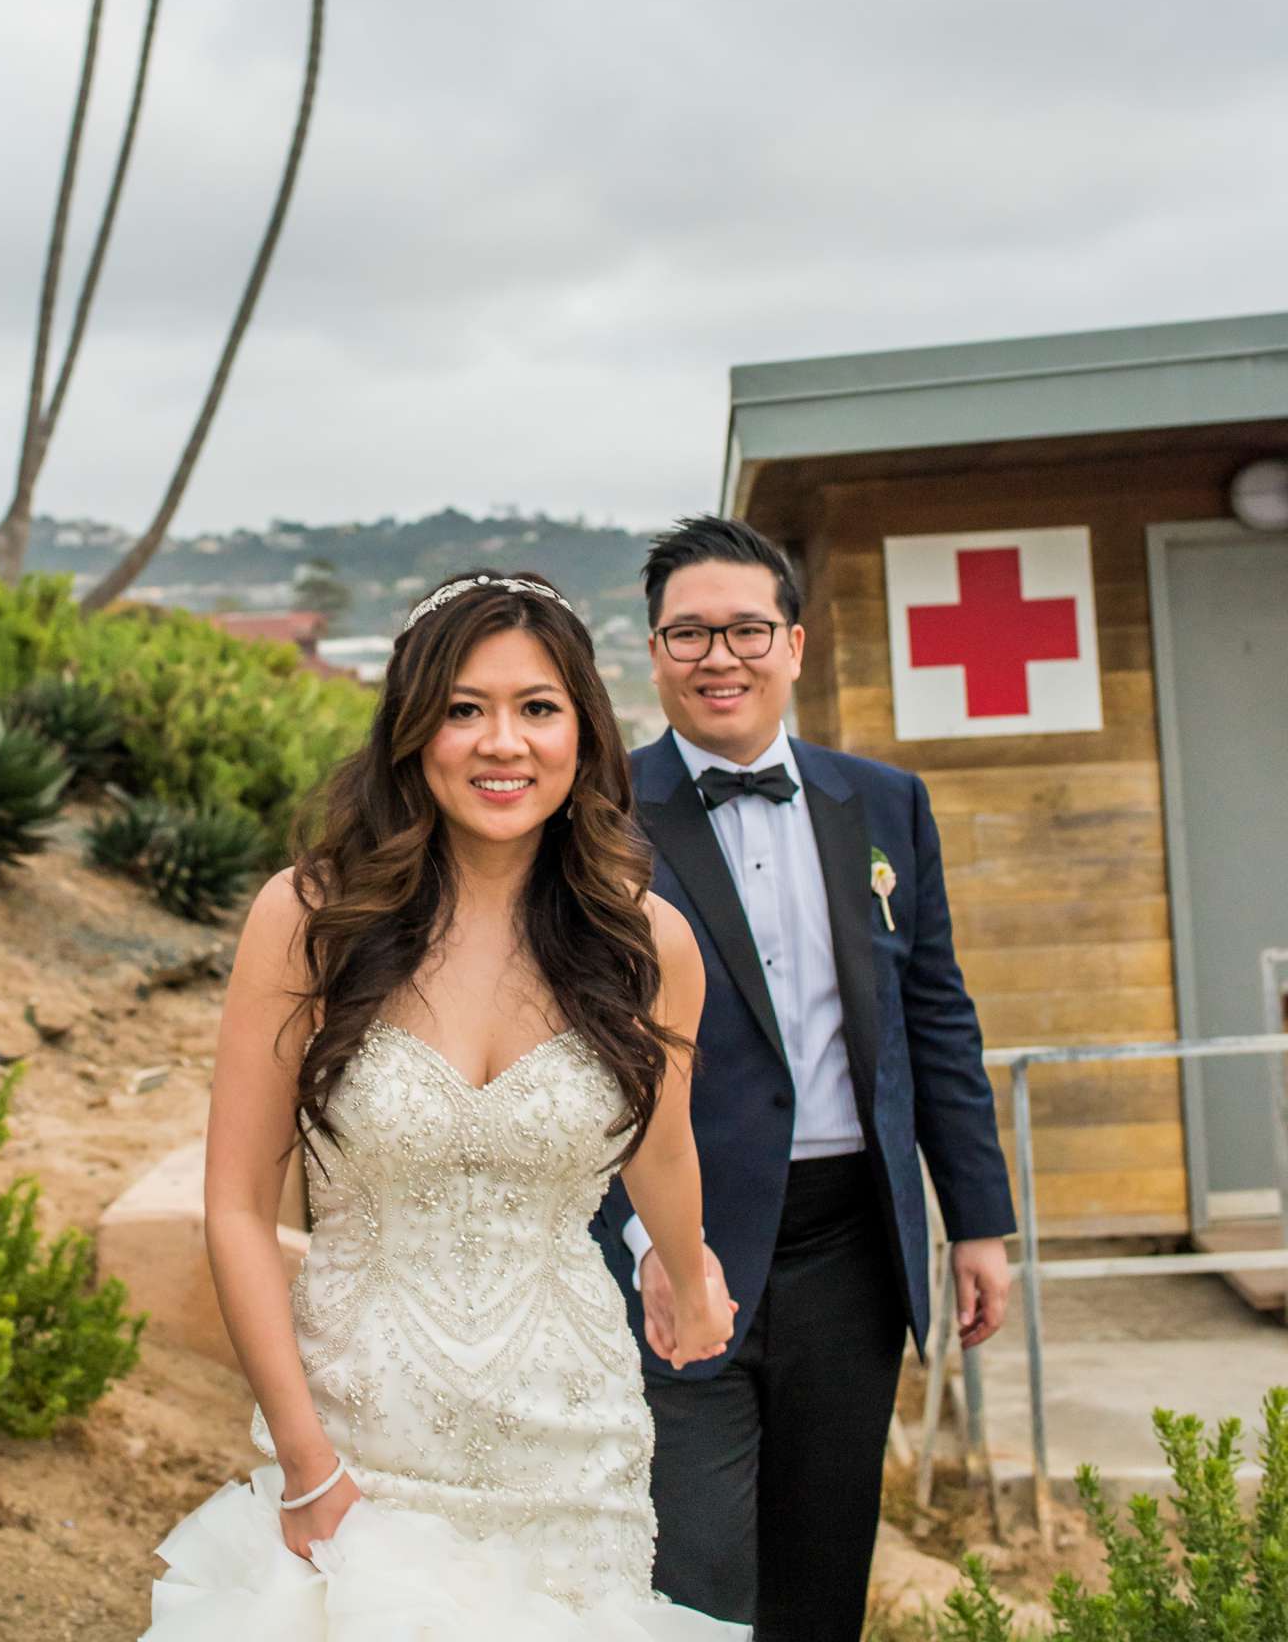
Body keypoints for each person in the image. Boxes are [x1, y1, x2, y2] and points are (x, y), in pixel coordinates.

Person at [142, 569, 749, 1639]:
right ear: (412, 732)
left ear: (584, 733)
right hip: (364, 1446)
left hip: (573, 1453)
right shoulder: (308, 921)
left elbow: (660, 1150)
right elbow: (236, 1207)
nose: (501, 743)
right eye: (464, 709)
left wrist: (685, 1268)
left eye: (536, 709)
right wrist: (303, 1461)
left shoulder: (649, 944)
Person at [594, 516, 1016, 1642]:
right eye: (688, 634)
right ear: (653, 652)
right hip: (677, 1238)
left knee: (824, 1562)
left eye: (744, 630)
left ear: (794, 643)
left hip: (849, 1243)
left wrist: (976, 1221)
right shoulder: (592, 815)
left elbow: (936, 1017)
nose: (717, 657)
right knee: (695, 1567)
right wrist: (649, 1247)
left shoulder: (882, 803)